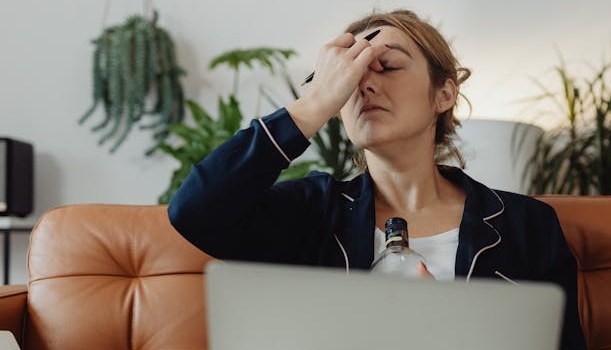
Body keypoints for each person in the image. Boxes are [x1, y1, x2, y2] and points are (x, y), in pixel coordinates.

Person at [167, 9, 587, 350]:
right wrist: (314, 102)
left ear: (443, 94)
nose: (365, 83)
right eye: (349, 76)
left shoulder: (526, 225)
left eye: (385, 67)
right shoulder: (310, 212)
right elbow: (195, 211)